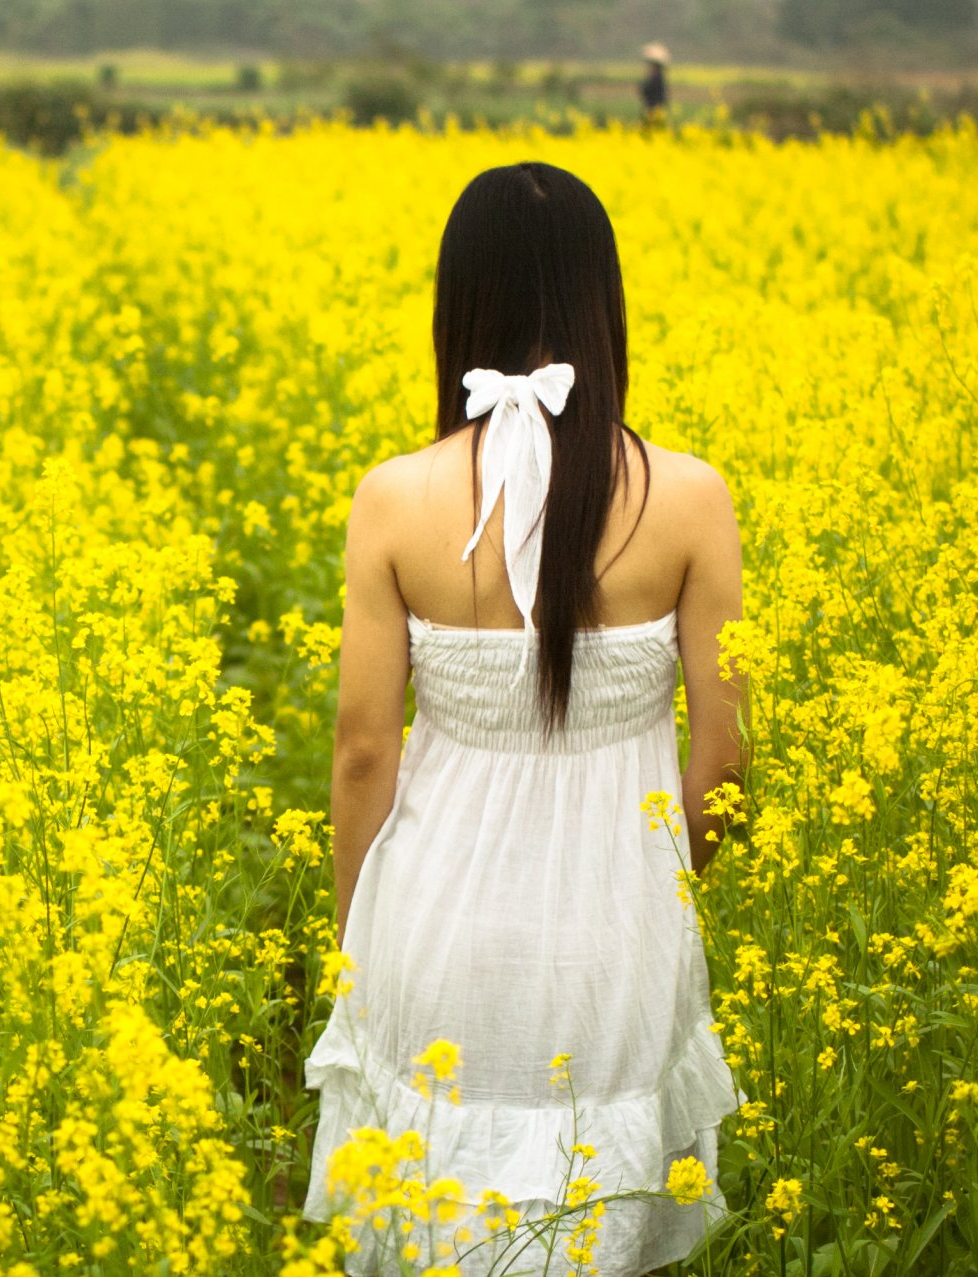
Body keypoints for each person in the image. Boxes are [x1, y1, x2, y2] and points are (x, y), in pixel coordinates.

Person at [301, 161, 749, 1276]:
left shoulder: (395, 497)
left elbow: (364, 752)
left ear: (459, 304)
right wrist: (660, 878)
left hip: (432, 934)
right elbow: (728, 758)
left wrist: (363, 941)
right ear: (606, 306)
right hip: (619, 939)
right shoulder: (691, 496)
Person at [640, 42, 670, 117]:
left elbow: (646, 91)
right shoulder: (658, 76)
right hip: (655, 110)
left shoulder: (656, 78)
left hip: (653, 110)